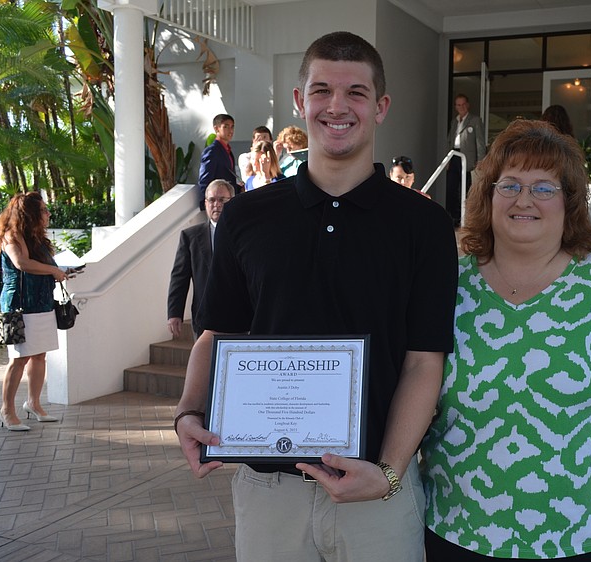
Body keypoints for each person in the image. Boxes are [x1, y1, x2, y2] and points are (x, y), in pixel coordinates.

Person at [174, 31, 457, 562]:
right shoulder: (246, 217)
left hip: (378, 492)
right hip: (269, 495)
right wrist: (188, 411)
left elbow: (424, 361)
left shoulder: (425, 225)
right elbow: (218, 333)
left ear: (380, 107)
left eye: (356, 92)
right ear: (301, 101)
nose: (337, 106)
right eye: (322, 90)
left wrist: (391, 474)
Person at [421, 120, 591, 561]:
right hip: (462, 528)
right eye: (509, 184)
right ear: (488, 195)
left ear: (570, 203)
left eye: (544, 187)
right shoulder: (447, 285)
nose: (524, 199)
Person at [0, 192, 68, 431]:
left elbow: (45, 268)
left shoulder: (37, 237)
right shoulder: (11, 235)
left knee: (39, 355)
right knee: (19, 358)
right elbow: (22, 264)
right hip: (19, 305)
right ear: (31, 214)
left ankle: (33, 404)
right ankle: (6, 411)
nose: (48, 214)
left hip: (42, 303)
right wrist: (52, 270)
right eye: (44, 210)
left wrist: (61, 271)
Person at [167, 179, 235, 341]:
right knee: (204, 365)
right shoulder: (190, 237)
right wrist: (174, 313)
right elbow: (179, 277)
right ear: (205, 203)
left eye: (222, 200)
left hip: (238, 315)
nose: (216, 205)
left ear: (232, 202)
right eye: (212, 200)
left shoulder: (242, 235)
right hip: (204, 316)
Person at [445, 93, 486, 226]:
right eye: (458, 105)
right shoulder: (454, 121)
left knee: (466, 188)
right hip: (454, 156)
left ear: (467, 105)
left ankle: (467, 218)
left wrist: (480, 160)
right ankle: (453, 216)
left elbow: (480, 141)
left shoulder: (475, 120)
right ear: (455, 107)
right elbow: (450, 140)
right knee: (451, 187)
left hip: (467, 158)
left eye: (463, 104)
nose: (461, 107)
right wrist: (447, 160)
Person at [197, 114, 241, 209]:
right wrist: (207, 204)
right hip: (217, 204)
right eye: (226, 126)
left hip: (228, 201)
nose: (231, 130)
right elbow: (205, 180)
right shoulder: (211, 151)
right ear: (216, 129)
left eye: (232, 126)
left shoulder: (228, 150)